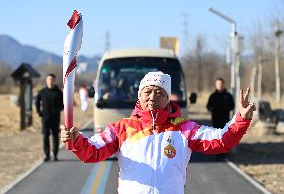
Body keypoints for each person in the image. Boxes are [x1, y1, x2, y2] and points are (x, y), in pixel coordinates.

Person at [61, 71, 255, 194]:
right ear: (140, 96)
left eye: (159, 92)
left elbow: (221, 141)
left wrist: (241, 118)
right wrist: (76, 140)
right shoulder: (122, 128)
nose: (153, 96)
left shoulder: (184, 128)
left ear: (168, 99)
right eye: (148, 92)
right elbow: (92, 152)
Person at [36, 74, 64, 162]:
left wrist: (57, 110)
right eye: (49, 79)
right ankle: (47, 155)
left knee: (55, 136)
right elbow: (37, 102)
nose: (50, 81)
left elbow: (62, 105)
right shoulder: (42, 92)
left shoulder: (58, 92)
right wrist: (39, 112)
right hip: (45, 118)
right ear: (46, 80)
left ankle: (55, 154)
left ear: (54, 81)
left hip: (55, 118)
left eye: (52, 79)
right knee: (45, 136)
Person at [207, 77, 235, 161]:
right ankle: (217, 152)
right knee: (217, 136)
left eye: (221, 84)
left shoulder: (228, 96)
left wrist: (226, 108)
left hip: (225, 119)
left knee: (224, 136)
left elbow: (232, 106)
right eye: (218, 84)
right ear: (216, 85)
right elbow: (208, 106)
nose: (220, 85)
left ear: (223, 84)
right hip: (215, 119)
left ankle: (223, 153)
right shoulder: (213, 96)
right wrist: (212, 109)